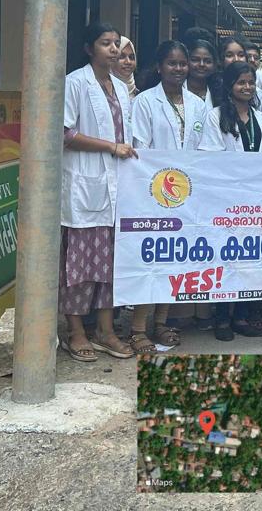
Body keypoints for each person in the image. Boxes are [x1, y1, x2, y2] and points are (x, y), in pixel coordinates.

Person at [59, 22, 136, 362]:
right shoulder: (75, 82)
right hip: (85, 187)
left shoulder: (120, 86)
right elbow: (64, 133)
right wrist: (110, 147)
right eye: (106, 43)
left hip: (116, 188)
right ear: (90, 48)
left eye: (117, 43)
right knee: (79, 267)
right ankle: (75, 332)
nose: (115, 49)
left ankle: (105, 331)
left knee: (109, 267)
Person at [128, 40, 209, 353]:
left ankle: (161, 323)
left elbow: (205, 149)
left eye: (182, 63)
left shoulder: (198, 105)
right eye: (172, 63)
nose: (178, 69)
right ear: (159, 67)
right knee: (150, 260)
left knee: (174, 260)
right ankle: (138, 329)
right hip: (154, 192)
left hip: (190, 194)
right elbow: (141, 149)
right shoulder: (145, 102)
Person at [197, 61, 262, 342]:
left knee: (251, 259)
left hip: (258, 201)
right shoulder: (215, 117)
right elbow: (211, 158)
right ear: (229, 86)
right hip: (227, 200)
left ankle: (242, 316)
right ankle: (222, 317)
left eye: (251, 82)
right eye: (241, 82)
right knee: (226, 258)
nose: (246, 87)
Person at [184, 38, 217, 107]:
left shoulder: (219, 93)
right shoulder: (176, 89)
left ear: (214, 65)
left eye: (207, 61)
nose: (201, 64)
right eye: (195, 60)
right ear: (186, 62)